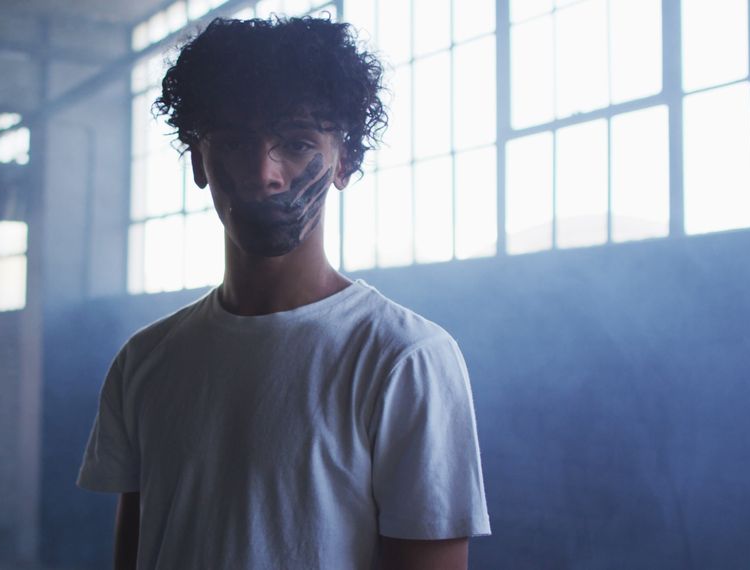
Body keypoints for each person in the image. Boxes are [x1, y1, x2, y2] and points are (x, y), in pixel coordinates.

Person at [78, 15, 490, 570]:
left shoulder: (406, 359)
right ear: (199, 161)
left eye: (296, 143)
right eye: (234, 141)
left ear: (344, 161)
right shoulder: (144, 360)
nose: (264, 172)